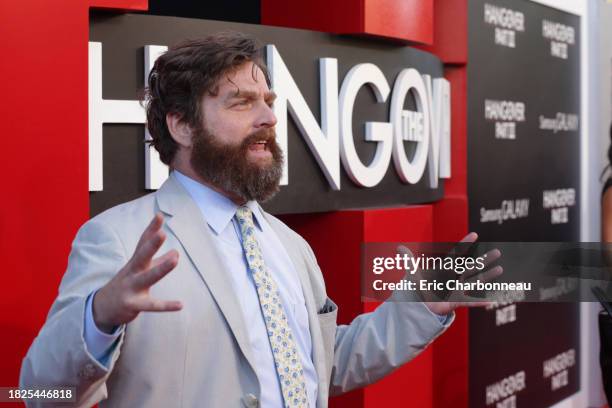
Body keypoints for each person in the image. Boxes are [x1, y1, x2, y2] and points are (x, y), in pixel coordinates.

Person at [20, 32, 478, 408]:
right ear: (181, 125)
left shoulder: (290, 245)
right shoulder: (118, 238)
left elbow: (321, 366)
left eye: (267, 101)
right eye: (240, 102)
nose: (267, 118)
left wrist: (420, 305)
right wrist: (97, 319)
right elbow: (39, 392)